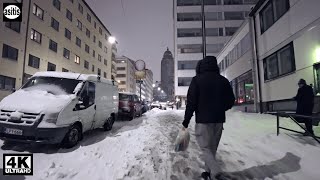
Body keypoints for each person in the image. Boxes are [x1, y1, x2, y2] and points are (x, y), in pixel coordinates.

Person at [182, 56, 235, 180]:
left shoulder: (197, 80)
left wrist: (186, 120)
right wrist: (221, 108)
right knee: (212, 149)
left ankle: (216, 172)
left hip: (203, 121)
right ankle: (209, 172)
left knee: (206, 148)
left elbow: (191, 102)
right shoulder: (223, 80)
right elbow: (231, 100)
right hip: (219, 120)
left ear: (200, 67)